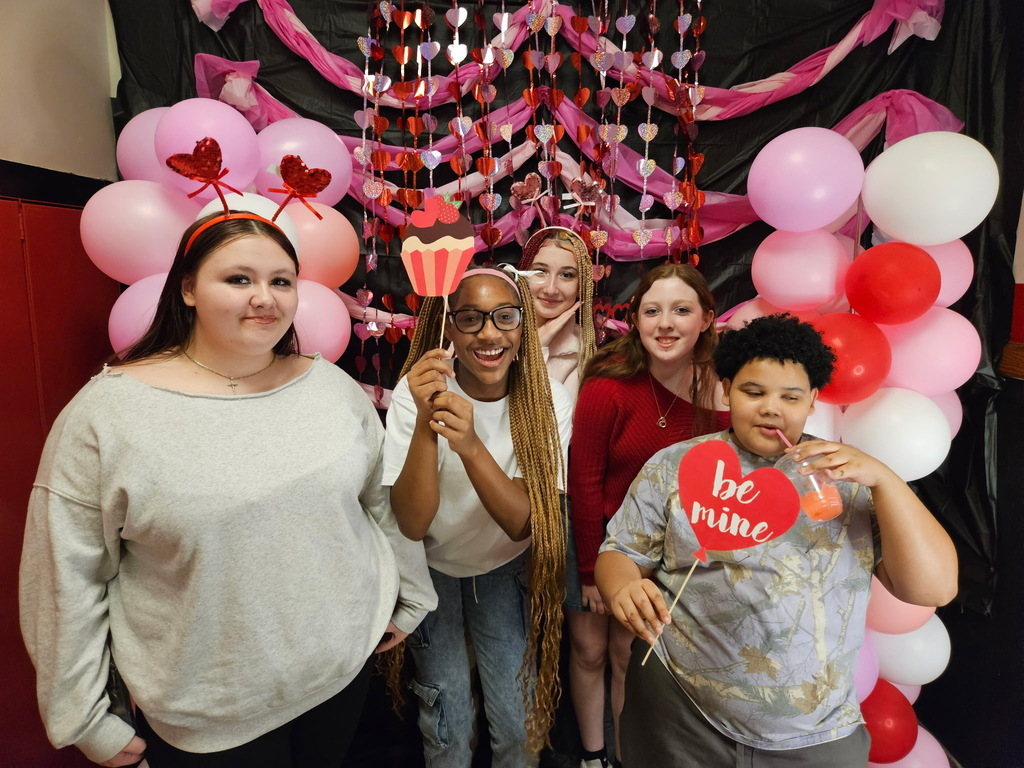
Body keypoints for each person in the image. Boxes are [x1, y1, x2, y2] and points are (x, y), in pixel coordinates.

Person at [19, 210, 436, 768]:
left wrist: (410, 594)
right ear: (188, 287)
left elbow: (377, 502)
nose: (264, 298)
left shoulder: (329, 386)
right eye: (238, 279)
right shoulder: (108, 416)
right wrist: (85, 716)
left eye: (281, 281)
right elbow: (64, 574)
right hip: (209, 712)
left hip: (339, 674)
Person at [596, 313, 958, 767]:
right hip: (679, 713)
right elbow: (620, 552)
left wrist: (886, 480)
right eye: (753, 392)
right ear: (726, 390)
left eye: (790, 396)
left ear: (812, 402)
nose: (771, 407)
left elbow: (933, 588)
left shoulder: (848, 481)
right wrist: (622, 585)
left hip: (815, 734)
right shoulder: (674, 465)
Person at [382, 266, 574, 767]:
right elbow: (412, 524)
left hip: (504, 569)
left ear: (523, 326)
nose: (489, 333)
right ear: (449, 329)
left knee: (517, 719)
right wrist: (427, 420)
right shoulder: (414, 392)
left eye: (504, 317)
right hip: (430, 575)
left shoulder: (547, 399)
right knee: (445, 719)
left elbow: (522, 523)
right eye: (470, 319)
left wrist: (468, 446)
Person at [566, 263, 730, 768]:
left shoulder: (725, 391)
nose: (665, 323)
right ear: (634, 319)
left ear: (705, 318)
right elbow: (585, 482)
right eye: (652, 310)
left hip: (670, 556)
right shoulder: (609, 384)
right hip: (598, 539)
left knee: (629, 660)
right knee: (591, 651)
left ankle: (623, 757)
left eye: (681, 310)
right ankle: (593, 755)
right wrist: (593, 573)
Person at [518, 226, 597, 401]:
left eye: (567, 275)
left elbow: (558, 424)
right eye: (540, 272)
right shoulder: (487, 329)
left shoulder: (583, 353)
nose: (551, 289)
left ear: (580, 286)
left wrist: (538, 348)